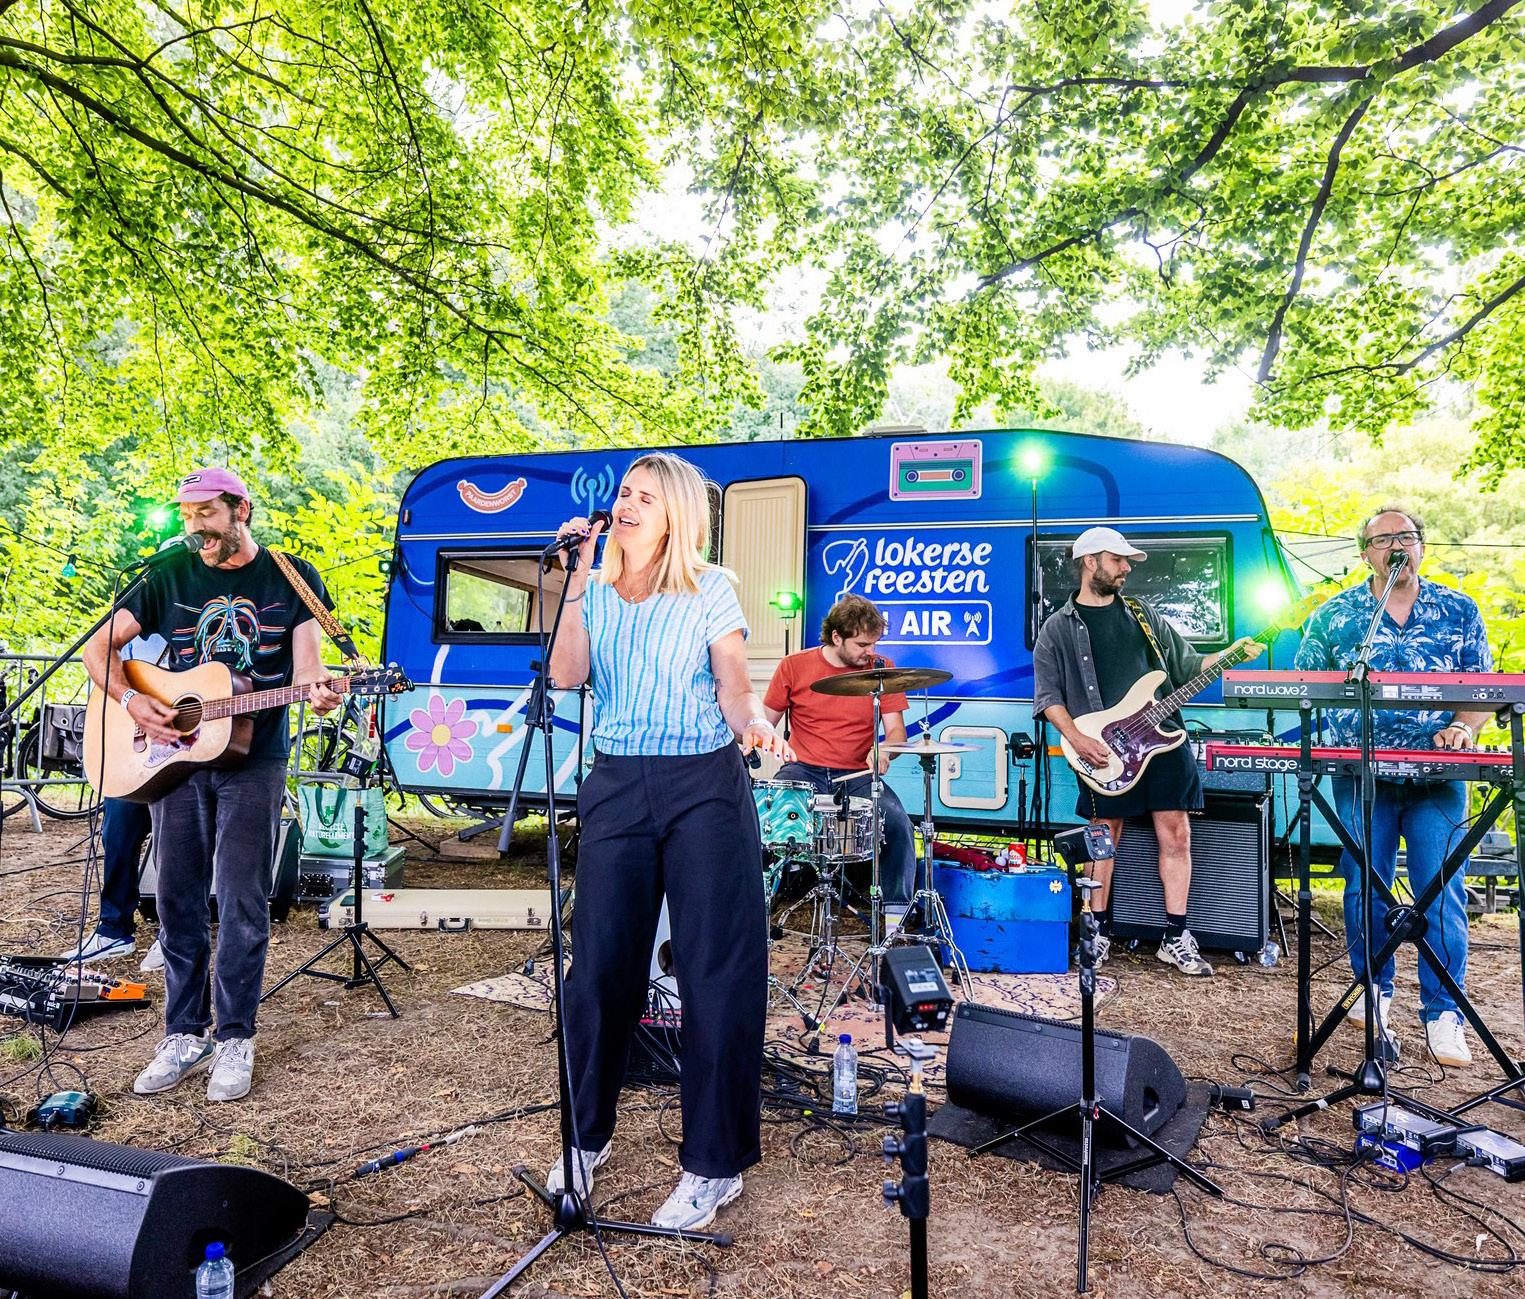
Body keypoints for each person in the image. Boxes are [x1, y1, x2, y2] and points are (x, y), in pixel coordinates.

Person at [545, 452, 792, 1232]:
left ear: (676, 515)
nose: (626, 504)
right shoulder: (593, 588)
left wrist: (753, 724)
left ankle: (713, 1165)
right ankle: (585, 1137)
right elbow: (565, 674)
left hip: (703, 783)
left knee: (715, 971)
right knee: (598, 969)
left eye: (644, 497)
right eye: (623, 492)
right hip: (617, 780)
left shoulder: (710, 586)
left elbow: (733, 686)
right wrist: (576, 575)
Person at [82, 467, 341, 1102]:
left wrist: (322, 692)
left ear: (240, 510)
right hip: (176, 756)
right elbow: (96, 650)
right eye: (186, 514)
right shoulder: (166, 574)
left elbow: (308, 669)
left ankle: (234, 1037)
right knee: (176, 898)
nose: (195, 526)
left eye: (206, 513)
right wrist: (133, 701)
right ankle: (183, 1032)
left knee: (242, 899)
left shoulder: (290, 576)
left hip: (254, 758)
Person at [1293, 507, 1491, 1067]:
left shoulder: (1459, 610)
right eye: (1383, 540)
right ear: (1366, 554)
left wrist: (1463, 727)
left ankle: (1444, 1013)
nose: (1396, 546)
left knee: (1441, 890)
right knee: (1365, 886)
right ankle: (1373, 989)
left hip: (1438, 778)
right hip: (1360, 777)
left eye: (1406, 536)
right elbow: (1304, 687)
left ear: (1422, 546)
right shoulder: (1336, 616)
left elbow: (1483, 688)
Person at [1033, 526, 1263, 977]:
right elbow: (1047, 695)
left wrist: (1229, 654)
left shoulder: (1143, 615)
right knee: (1104, 837)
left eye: (1127, 561)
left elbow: (1187, 665)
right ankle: (1097, 932)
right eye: (1117, 560)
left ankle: (1176, 937)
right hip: (1104, 747)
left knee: (1176, 835)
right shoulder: (1058, 627)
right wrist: (1076, 737)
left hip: (1164, 740)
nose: (1126, 569)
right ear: (1090, 562)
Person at [762, 595, 917, 915]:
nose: (870, 651)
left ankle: (894, 917)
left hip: (858, 775)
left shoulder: (881, 670)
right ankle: (755, 906)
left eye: (874, 643)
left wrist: (884, 750)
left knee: (898, 823)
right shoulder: (793, 666)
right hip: (803, 770)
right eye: (862, 644)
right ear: (836, 637)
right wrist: (759, 736)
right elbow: (764, 723)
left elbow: (897, 735)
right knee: (762, 820)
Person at [62, 634, 166, 966]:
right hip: (135, 755)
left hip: (181, 753)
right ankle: (113, 930)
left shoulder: (189, 623)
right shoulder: (125, 637)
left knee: (174, 847)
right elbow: (109, 680)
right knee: (117, 836)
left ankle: (173, 934)